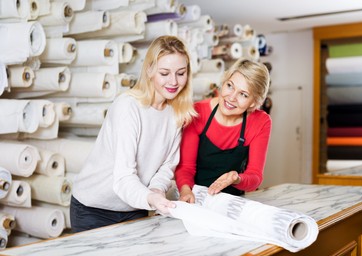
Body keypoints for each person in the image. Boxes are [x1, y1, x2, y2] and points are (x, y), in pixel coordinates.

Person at [70, 36, 197, 232]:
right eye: (164, 73)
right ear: (149, 70)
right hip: (93, 208)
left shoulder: (176, 113)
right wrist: (151, 198)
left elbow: (166, 166)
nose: (173, 81)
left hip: (135, 205)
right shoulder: (128, 107)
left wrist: (156, 190)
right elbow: (123, 177)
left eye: (181, 73)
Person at [175, 58, 271, 203]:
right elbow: (185, 168)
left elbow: (255, 176)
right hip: (194, 198)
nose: (231, 97)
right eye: (230, 86)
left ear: (254, 102)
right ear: (224, 82)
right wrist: (185, 190)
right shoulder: (198, 112)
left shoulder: (260, 122)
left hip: (232, 202)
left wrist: (236, 178)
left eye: (243, 94)